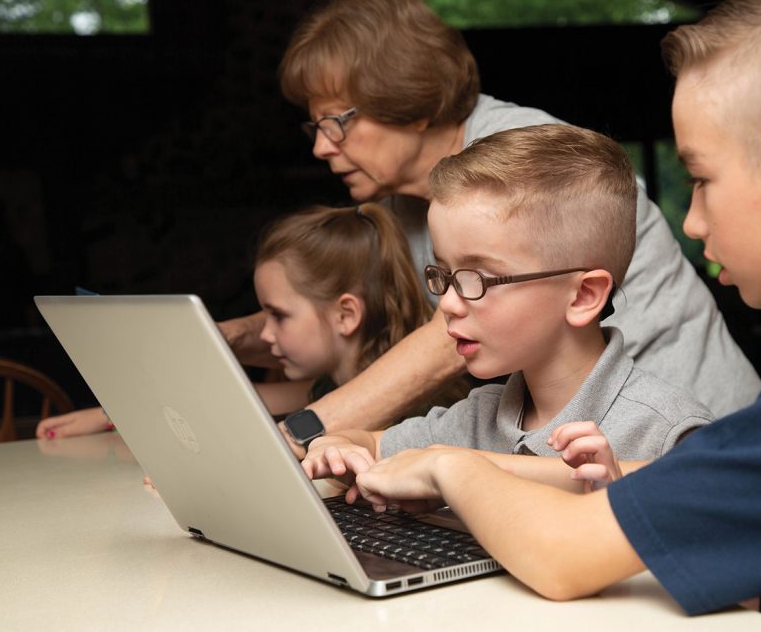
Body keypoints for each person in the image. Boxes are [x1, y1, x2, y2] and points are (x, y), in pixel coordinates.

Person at [349, 0, 761, 632]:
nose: (695, 221)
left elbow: (563, 555)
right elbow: (700, 478)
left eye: (702, 178)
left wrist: (452, 462)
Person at [217, 0, 761, 444]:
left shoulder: (519, 162)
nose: (322, 147)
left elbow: (440, 347)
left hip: (685, 441)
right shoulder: (394, 206)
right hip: (562, 447)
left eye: (336, 122)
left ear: (412, 100)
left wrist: (299, 436)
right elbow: (336, 320)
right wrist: (234, 336)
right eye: (315, 127)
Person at [303, 124, 713, 495]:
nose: (446, 302)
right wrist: (340, 447)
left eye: (477, 278)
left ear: (584, 296)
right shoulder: (478, 417)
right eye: (443, 273)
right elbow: (371, 443)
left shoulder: (668, 433)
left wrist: (617, 498)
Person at [37, 203, 452, 438]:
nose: (264, 334)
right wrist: (108, 415)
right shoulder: (322, 387)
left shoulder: (421, 407)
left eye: (279, 315)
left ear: (346, 315)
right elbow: (228, 405)